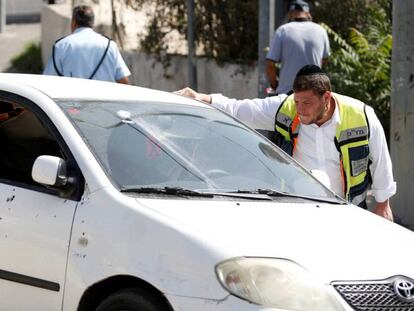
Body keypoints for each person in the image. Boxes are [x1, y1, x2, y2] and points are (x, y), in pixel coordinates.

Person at [176, 65, 396, 221]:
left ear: (326, 98)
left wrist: (383, 203)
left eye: (307, 103)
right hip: (300, 208)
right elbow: (240, 109)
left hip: (349, 208)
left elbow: (380, 159)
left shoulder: (362, 115)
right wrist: (203, 98)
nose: (300, 109)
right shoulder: (286, 107)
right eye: (297, 102)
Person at [43, 5, 130, 84]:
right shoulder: (109, 45)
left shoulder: (61, 46)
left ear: (74, 22)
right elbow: (123, 80)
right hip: (105, 100)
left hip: (72, 100)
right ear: (92, 23)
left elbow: (48, 80)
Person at [266, 0, 330, 94]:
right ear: (308, 13)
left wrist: (275, 84)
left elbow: (270, 64)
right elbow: (324, 60)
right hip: (314, 93)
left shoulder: (283, 30)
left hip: (287, 94)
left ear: (290, 13)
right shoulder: (321, 31)